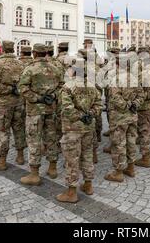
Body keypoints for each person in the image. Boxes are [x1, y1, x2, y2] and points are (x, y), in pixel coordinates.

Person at [56, 59, 102, 203]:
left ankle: (71, 192)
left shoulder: (67, 87)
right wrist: (90, 115)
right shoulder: (92, 86)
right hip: (88, 127)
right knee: (87, 155)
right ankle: (88, 185)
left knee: (72, 159)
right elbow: (99, 105)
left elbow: (67, 109)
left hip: (72, 128)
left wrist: (80, 116)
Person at [18, 44, 63, 186]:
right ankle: (52, 167)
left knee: (34, 139)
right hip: (51, 108)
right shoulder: (55, 68)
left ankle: (34, 173)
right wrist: (53, 95)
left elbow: (22, 88)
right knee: (51, 137)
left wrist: (37, 98)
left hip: (35, 111)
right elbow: (62, 86)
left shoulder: (30, 69)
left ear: (35, 53)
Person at [104, 52, 144, 183]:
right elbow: (141, 95)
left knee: (118, 144)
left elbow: (115, 98)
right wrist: (134, 105)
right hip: (132, 116)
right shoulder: (133, 78)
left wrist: (127, 105)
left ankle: (119, 171)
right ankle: (131, 168)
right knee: (131, 142)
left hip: (119, 117)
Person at [0, 41, 27, 171]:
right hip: (19, 102)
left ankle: (2, 161)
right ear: (13, 49)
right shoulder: (21, 64)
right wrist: (16, 90)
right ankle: (20, 156)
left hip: (3, 104)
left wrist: (7, 89)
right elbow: (26, 82)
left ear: (3, 49)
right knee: (19, 129)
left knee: (3, 130)